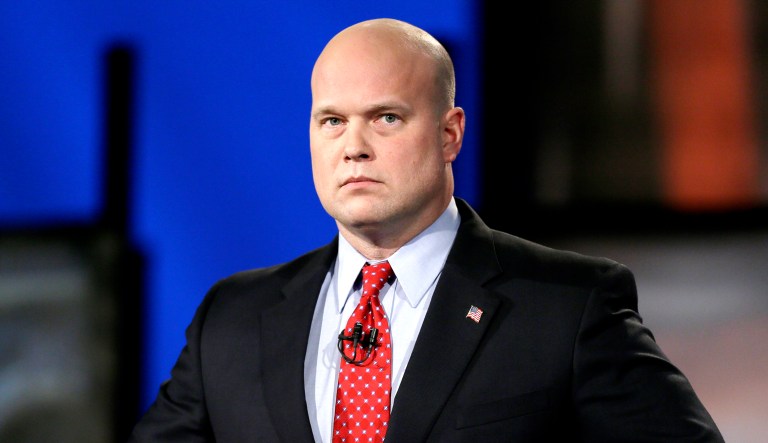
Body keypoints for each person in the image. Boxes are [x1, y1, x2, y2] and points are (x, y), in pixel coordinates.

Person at [129, 18, 725, 442]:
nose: (353, 147)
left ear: (449, 134)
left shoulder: (568, 307)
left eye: (386, 118)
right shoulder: (231, 319)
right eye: (331, 121)